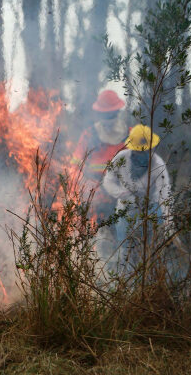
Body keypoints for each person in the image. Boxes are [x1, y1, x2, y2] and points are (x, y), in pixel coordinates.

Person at [102, 124, 172, 266]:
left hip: (150, 211)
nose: (141, 154)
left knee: (150, 252)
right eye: (137, 151)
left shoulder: (158, 165)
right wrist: (123, 193)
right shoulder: (120, 159)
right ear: (131, 148)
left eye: (144, 151)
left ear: (150, 148)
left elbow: (164, 194)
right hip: (125, 211)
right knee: (125, 251)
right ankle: (125, 278)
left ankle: (149, 278)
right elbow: (108, 181)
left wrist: (168, 224)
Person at [72, 89, 128, 219]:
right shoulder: (89, 135)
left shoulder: (130, 135)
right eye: (105, 115)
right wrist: (83, 185)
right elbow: (74, 166)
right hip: (94, 196)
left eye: (111, 114)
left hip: (121, 196)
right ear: (98, 114)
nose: (108, 119)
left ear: (118, 112)